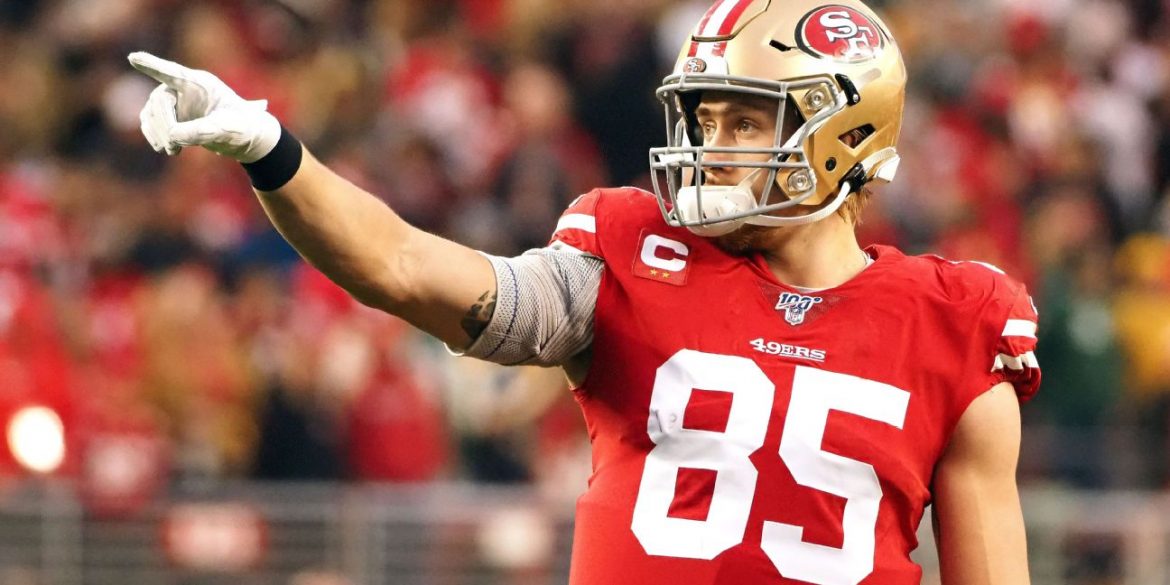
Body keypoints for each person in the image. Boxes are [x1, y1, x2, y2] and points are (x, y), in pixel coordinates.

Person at [128, 0, 1040, 582]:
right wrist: (269, 149)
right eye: (706, 118)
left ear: (845, 133)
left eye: (746, 120)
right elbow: (402, 266)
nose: (713, 146)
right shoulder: (633, 256)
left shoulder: (955, 320)